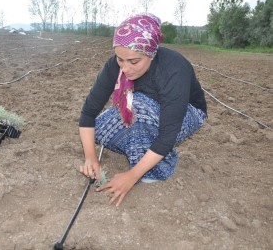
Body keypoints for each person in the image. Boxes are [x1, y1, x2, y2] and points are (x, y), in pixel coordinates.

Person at [78, 13, 207, 207]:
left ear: (151, 54)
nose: (125, 68)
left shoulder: (174, 69)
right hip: (141, 105)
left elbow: (167, 134)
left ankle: (154, 167)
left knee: (140, 115)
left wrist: (131, 176)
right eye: (120, 59)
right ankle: (140, 145)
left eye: (134, 61)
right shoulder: (115, 65)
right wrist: (91, 158)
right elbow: (88, 114)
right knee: (102, 128)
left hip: (187, 112)